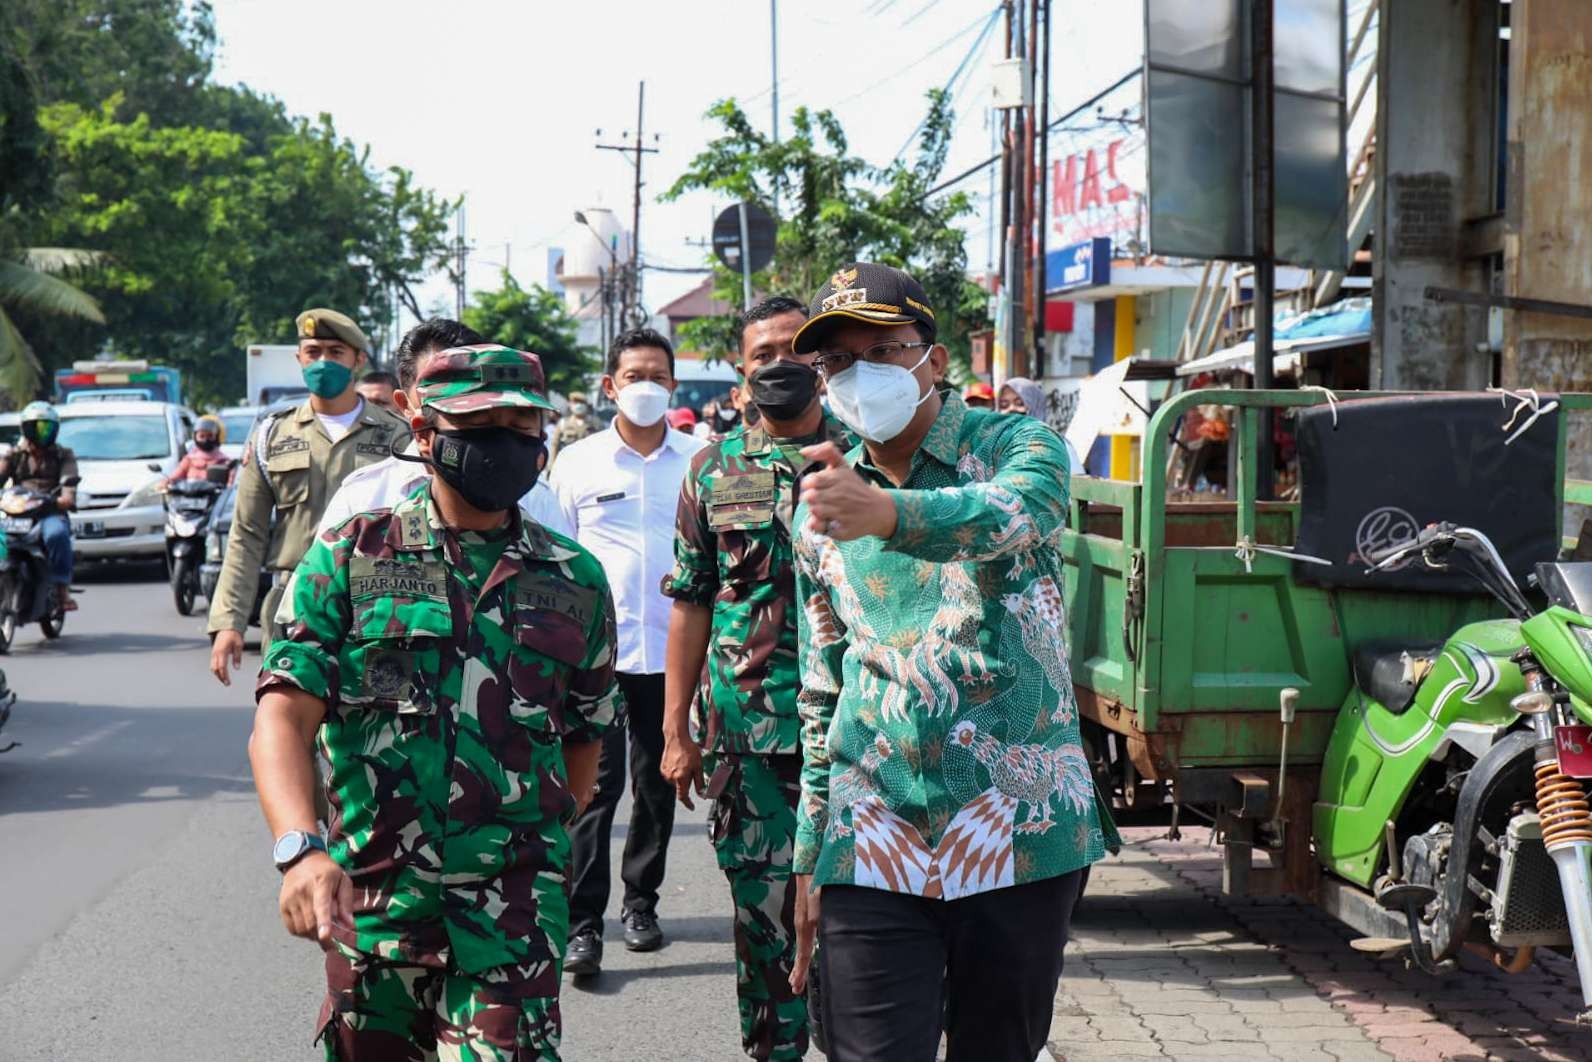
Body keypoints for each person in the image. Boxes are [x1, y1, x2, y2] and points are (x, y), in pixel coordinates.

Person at [249, 344, 621, 1061]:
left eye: (523, 425)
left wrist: (529, 851)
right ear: (424, 433)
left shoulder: (576, 580)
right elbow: (281, 719)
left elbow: (584, 742)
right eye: (481, 424)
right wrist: (299, 849)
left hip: (512, 917)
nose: (507, 443)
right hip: (374, 911)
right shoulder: (351, 557)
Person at [786, 263, 1118, 1062]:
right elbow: (822, 684)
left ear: (934, 361)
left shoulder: (1014, 443)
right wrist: (808, 854)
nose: (858, 376)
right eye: (836, 362)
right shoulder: (820, 502)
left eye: (883, 350)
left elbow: (1023, 511)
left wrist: (892, 515)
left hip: (1018, 827)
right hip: (873, 830)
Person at [661, 295, 854, 1061]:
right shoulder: (711, 471)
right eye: (760, 356)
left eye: (793, 351)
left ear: (821, 359)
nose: (779, 366)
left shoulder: (867, 456)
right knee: (765, 919)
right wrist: (676, 730)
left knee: (866, 920)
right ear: (741, 378)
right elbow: (691, 601)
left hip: (864, 726)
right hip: (752, 735)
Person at [550, 326, 705, 975]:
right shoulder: (578, 463)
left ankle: (641, 904)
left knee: (658, 782)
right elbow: (553, 557)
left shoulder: (703, 459)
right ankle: (583, 922)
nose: (646, 387)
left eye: (658, 377)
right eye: (633, 376)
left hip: (674, 655)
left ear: (673, 386)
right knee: (593, 789)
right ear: (610, 385)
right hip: (597, 657)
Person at [207, 308, 407, 686]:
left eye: (335, 352)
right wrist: (228, 622)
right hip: (292, 603)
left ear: (358, 360)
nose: (322, 362)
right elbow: (247, 534)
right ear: (299, 358)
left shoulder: (397, 436)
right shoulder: (272, 434)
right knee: (287, 724)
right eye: (313, 351)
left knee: (371, 732)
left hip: (375, 605)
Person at [318, 318, 570, 537]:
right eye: (432, 388)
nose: (498, 434)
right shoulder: (364, 496)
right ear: (405, 405)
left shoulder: (536, 497)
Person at [0, 402, 79, 611]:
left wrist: (65, 498)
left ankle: (62, 590)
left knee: (57, 535)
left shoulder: (64, 455)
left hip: (48, 511)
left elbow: (69, 482)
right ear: (25, 429)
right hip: (16, 512)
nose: (41, 434)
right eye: (35, 427)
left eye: (46, 428)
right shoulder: (14, 455)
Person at [998, 376, 1083, 474]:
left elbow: (1079, 483)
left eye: (1020, 403)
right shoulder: (994, 447)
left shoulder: (1056, 444)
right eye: (1004, 405)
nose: (1011, 409)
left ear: (1036, 405)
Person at [165, 415, 234, 484]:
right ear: (195, 437)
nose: (205, 440)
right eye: (201, 436)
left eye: (210, 436)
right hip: (190, 494)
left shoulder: (224, 461)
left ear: (217, 437)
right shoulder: (189, 459)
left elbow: (230, 485)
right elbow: (174, 477)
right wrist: (165, 483)